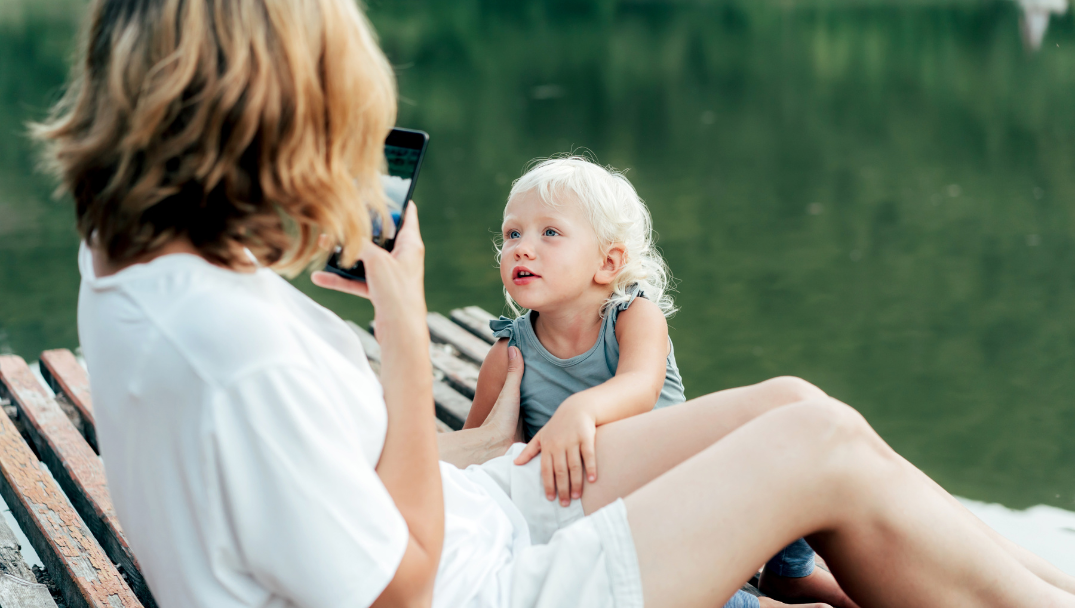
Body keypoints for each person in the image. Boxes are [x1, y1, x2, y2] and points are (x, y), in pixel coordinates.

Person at [34, 0, 1075, 607]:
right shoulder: (230, 348)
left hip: (484, 520)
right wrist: (402, 322)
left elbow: (324, 483)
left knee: (792, 402)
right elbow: (401, 587)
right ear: (265, 113)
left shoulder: (132, 248)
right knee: (818, 447)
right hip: (490, 586)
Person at [463, 156, 849, 608]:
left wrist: (581, 409)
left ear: (608, 262)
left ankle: (790, 574)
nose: (522, 249)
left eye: (550, 232)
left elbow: (641, 386)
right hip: (596, 525)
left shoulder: (632, 318)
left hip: (684, 494)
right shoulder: (508, 354)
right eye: (513, 234)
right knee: (664, 581)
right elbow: (476, 452)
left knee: (790, 431)